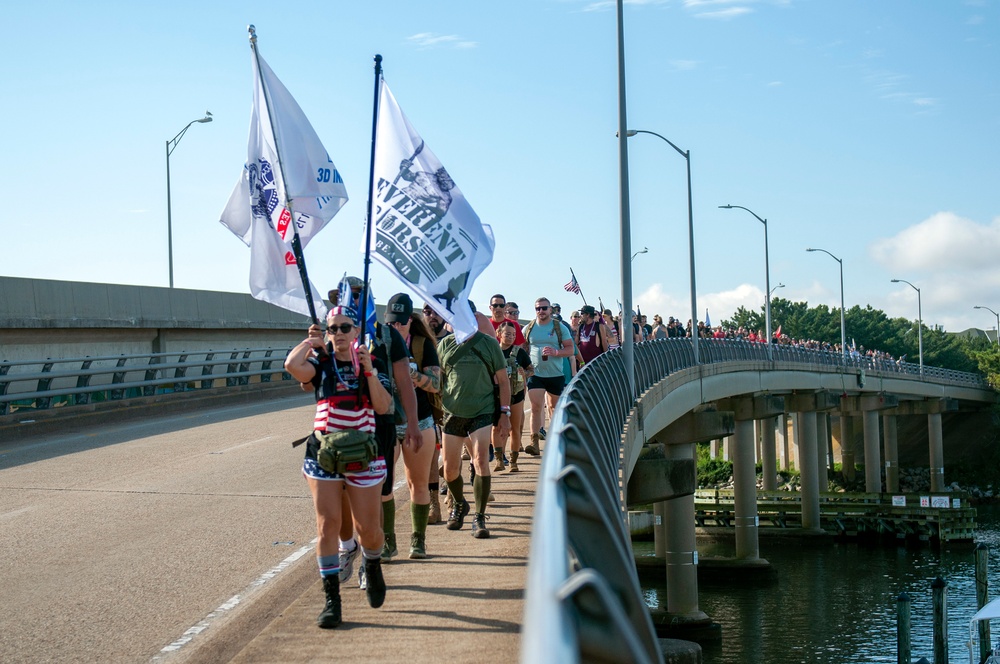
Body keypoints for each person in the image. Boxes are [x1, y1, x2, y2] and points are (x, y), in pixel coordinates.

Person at [284, 306, 392, 629]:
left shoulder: (371, 364)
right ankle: (332, 600)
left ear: (357, 332)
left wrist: (370, 371)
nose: (340, 333)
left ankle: (372, 564)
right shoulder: (321, 364)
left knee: (369, 530)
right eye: (333, 329)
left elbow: (385, 407)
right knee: (327, 525)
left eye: (346, 327)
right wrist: (311, 342)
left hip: (363, 455)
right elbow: (292, 366)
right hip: (324, 453)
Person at [437, 324, 512, 539]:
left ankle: (479, 516)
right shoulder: (445, 344)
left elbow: (504, 381)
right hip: (452, 412)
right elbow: (437, 377)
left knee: (479, 460)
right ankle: (460, 504)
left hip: (483, 409)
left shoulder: (489, 344)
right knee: (450, 469)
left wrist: (504, 413)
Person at [385, 293, 442, 559]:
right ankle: (388, 541)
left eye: (401, 323)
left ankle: (418, 540)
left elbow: (436, 383)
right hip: (386, 420)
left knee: (416, 483)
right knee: (381, 484)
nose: (396, 328)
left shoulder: (421, 345)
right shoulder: (378, 343)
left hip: (419, 420)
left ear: (411, 320)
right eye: (392, 323)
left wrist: (413, 375)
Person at [521, 297, 574, 456]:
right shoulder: (529, 328)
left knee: (553, 408)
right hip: (535, 374)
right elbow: (522, 348)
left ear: (550, 309)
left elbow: (570, 349)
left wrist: (556, 352)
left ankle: (556, 440)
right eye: (538, 309)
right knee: (536, 407)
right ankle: (534, 442)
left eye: (544, 308)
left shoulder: (559, 327)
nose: (541, 311)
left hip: (555, 374)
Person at [495, 320, 533, 472]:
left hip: (516, 394)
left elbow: (531, 369)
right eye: (507, 334)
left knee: (514, 428)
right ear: (499, 334)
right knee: (496, 428)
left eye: (513, 335)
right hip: (496, 395)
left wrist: (525, 373)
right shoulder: (493, 351)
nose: (510, 337)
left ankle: (513, 461)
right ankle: (499, 460)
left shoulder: (519, 352)